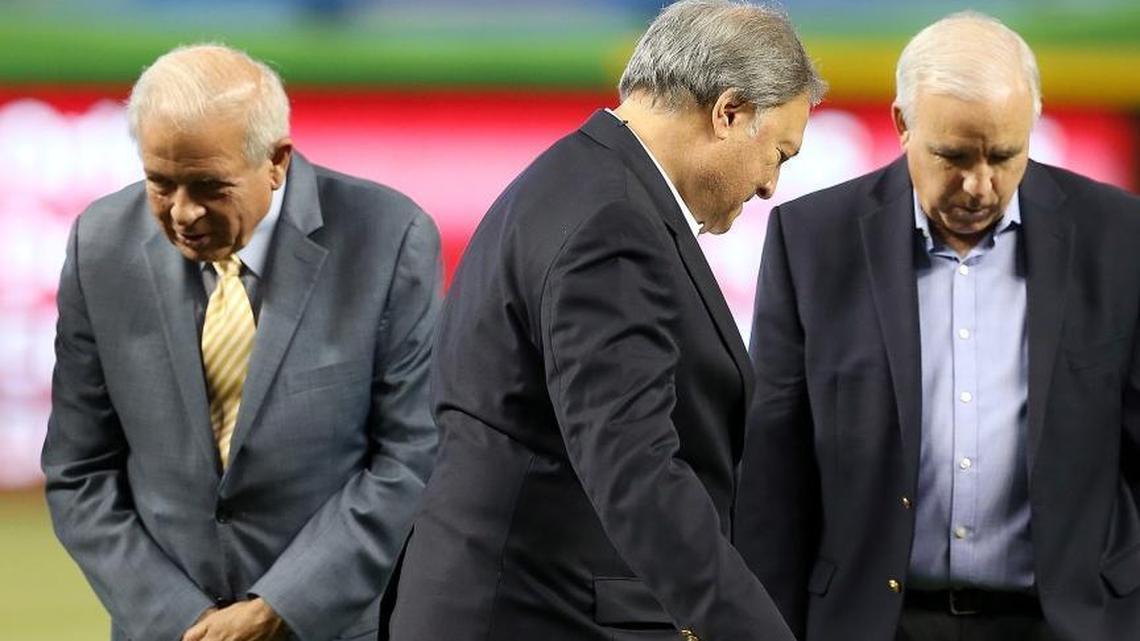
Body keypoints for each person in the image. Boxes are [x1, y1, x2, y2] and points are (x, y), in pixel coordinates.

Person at [387, 2, 825, 640]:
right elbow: (635, 470)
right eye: (779, 154)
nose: (768, 187)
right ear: (728, 113)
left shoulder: (578, 182)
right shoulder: (612, 222)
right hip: (535, 616)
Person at [734, 11, 1140, 641]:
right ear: (902, 125)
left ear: (1033, 122)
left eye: (1004, 155)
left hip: (1070, 623)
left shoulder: (1119, 237)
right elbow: (771, 469)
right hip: (872, 625)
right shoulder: (811, 241)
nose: (980, 186)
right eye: (953, 156)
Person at [41, 44, 441, 641]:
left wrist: (277, 608)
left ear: (276, 161)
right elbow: (79, 469)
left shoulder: (388, 238)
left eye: (209, 186)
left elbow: (411, 456)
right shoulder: (99, 245)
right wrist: (184, 618)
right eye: (160, 184)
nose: (183, 213)